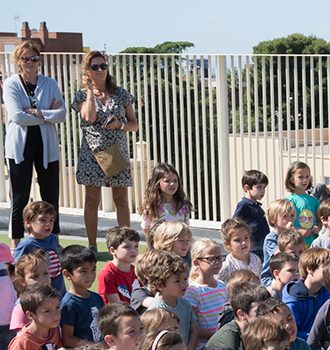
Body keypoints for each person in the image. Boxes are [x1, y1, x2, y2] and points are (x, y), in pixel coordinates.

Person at [73, 50, 138, 252]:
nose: (100, 70)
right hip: (92, 153)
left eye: (103, 66)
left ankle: (126, 244)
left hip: (116, 152)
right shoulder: (81, 95)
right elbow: (89, 118)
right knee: (92, 200)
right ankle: (93, 245)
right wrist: (90, 91)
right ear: (87, 70)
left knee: (121, 200)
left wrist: (120, 125)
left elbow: (134, 124)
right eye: (95, 67)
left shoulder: (121, 94)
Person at [4, 41, 65, 246]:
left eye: (34, 58)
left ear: (39, 60)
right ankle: (16, 243)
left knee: (51, 195)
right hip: (19, 147)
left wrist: (38, 112)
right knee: (19, 196)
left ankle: (53, 240)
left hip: (46, 146)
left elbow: (61, 114)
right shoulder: (11, 84)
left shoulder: (49, 83)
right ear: (18, 61)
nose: (30, 62)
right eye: (25, 58)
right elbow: (17, 116)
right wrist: (47, 115)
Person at [13, 201, 64, 296]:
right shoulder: (26, 245)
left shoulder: (53, 238)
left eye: (51, 220)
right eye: (42, 220)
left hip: (59, 292)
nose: (48, 224)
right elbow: (16, 271)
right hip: (37, 295)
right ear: (28, 223)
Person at [59, 245, 104, 347]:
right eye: (83, 271)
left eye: (93, 269)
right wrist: (95, 346)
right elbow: (67, 339)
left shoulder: (97, 298)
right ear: (67, 274)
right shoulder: (68, 304)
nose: (90, 275)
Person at [140, 163, 193, 236]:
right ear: (158, 184)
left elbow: (186, 228)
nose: (172, 184)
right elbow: (146, 229)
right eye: (167, 181)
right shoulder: (152, 207)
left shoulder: (182, 206)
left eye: (175, 181)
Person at [97, 226, 141, 305]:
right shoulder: (107, 274)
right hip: (118, 312)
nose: (133, 250)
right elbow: (116, 305)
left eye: (136, 246)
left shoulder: (137, 271)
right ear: (113, 251)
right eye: (127, 247)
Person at [233, 170, 270, 260]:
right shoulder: (244, 205)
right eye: (259, 187)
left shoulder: (256, 205)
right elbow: (234, 223)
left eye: (264, 187)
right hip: (254, 249)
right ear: (247, 188)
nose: (262, 191)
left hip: (262, 247)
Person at [286, 162, 321, 246]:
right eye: (300, 177)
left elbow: (319, 220)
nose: (304, 180)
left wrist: (318, 227)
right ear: (291, 179)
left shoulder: (313, 200)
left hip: (312, 243)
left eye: (307, 176)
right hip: (295, 244)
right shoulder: (289, 200)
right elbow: (285, 223)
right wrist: (298, 231)